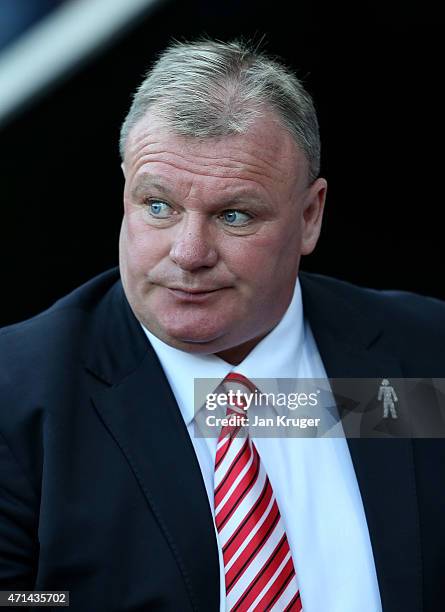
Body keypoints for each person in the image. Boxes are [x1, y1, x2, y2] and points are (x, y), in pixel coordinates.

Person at [0, 38, 444, 612]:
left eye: (234, 215)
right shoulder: (15, 397)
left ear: (310, 216)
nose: (188, 253)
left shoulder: (425, 357)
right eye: (158, 205)